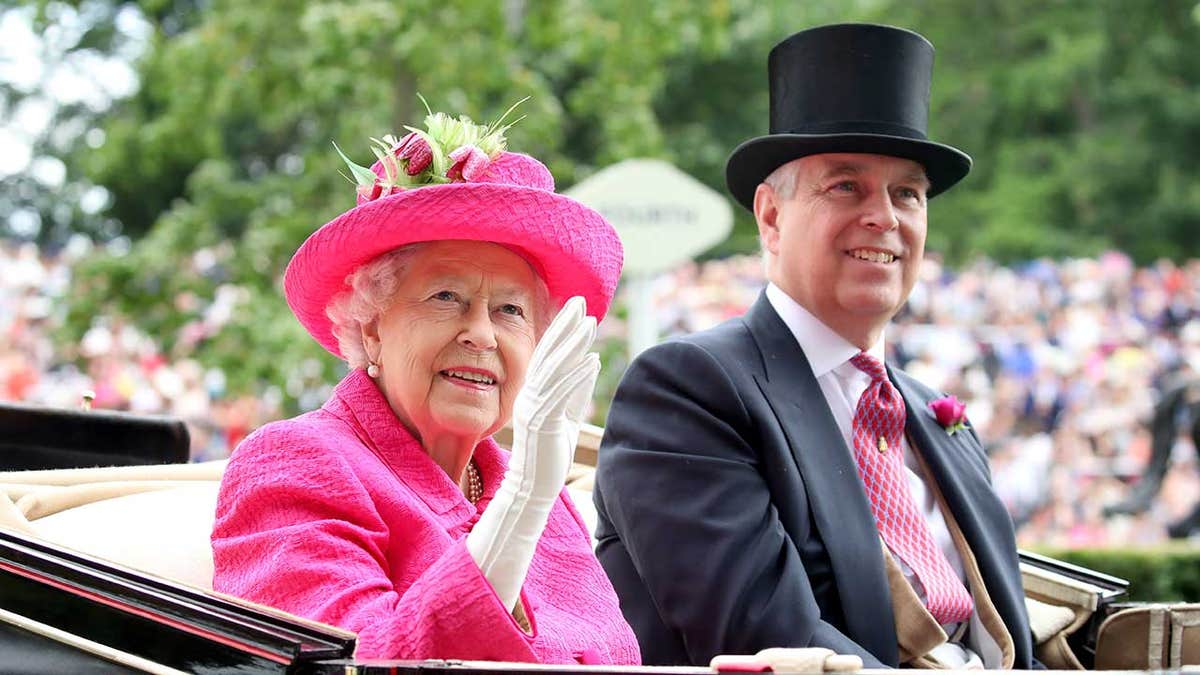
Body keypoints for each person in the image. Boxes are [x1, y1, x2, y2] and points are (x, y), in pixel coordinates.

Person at [594, 24, 1035, 669]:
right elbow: (767, 639)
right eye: (846, 187)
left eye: (906, 193)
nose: (884, 216)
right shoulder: (691, 391)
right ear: (771, 216)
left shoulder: (941, 420)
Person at [211, 103, 639, 664]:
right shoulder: (292, 463)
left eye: (510, 310)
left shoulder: (536, 490)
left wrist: (530, 493)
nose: (481, 334)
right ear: (371, 323)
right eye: (446, 298)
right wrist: (520, 504)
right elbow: (359, 664)